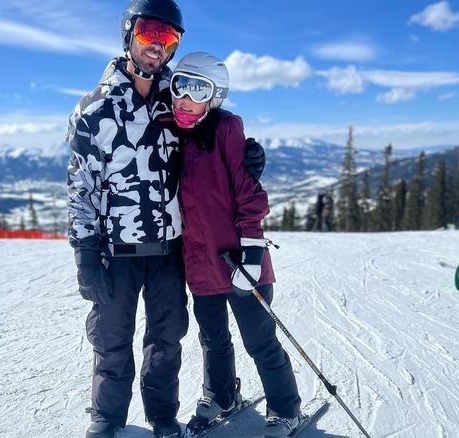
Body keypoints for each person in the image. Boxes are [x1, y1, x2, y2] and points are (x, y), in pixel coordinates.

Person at [66, 2, 265, 437]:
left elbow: (212, 143)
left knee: (166, 340)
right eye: (148, 32)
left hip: (169, 247)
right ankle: (107, 417)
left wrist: (247, 157)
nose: (157, 46)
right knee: (112, 339)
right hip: (115, 250)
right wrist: (84, 251)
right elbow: (81, 188)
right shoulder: (94, 110)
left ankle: (162, 417)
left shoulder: (174, 105)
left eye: (169, 38)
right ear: (128, 33)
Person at [171, 52, 303, 438]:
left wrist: (253, 256)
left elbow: (251, 197)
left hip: (238, 261)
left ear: (215, 97)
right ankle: (221, 396)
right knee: (212, 339)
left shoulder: (226, 129)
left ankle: (285, 408)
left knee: (260, 340)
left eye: (198, 89)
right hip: (200, 263)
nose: (184, 97)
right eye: (180, 85)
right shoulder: (173, 133)